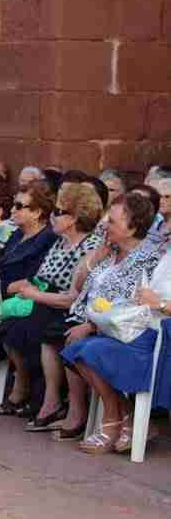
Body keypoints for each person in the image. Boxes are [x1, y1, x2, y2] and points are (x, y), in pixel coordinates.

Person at [60, 193, 164, 453]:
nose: (105, 225)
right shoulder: (110, 251)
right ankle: (123, 415)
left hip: (134, 334)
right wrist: (96, 256)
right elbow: (80, 286)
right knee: (73, 350)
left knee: (87, 350)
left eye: (113, 221)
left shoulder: (148, 259)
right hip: (104, 328)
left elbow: (129, 307)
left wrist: (91, 326)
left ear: (133, 227)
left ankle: (111, 419)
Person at [0, 184, 103, 421]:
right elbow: (40, 278)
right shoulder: (59, 242)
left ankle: (48, 398)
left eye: (58, 211)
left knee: (32, 327)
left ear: (73, 218)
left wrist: (34, 295)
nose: (52, 215)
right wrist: (29, 289)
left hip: (69, 309)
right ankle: (36, 392)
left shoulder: (90, 247)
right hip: (44, 301)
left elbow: (73, 298)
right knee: (9, 326)